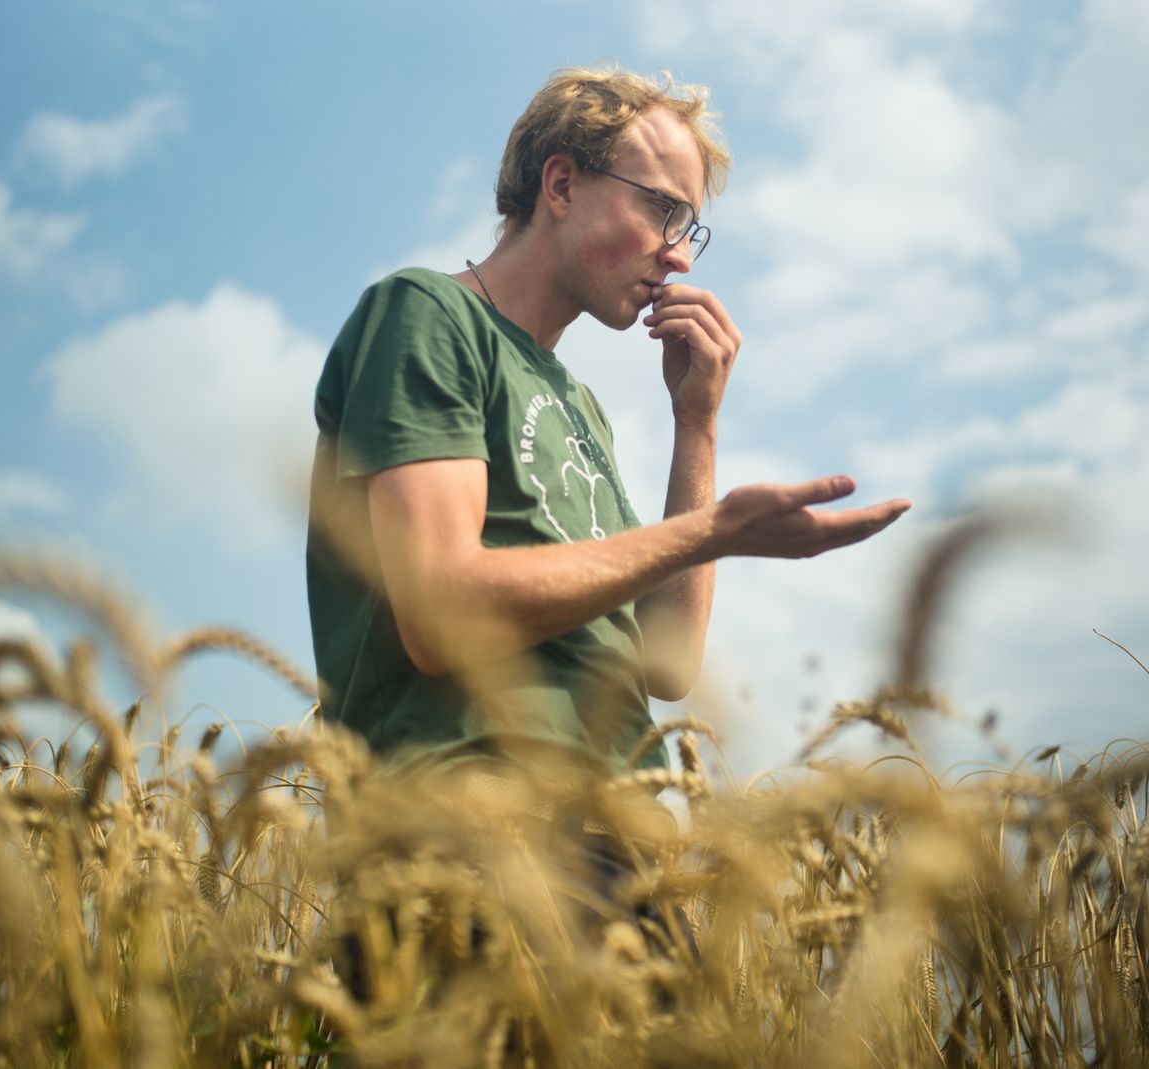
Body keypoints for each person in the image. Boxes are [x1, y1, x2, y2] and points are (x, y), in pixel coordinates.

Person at [306, 67, 910, 782]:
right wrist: (713, 530)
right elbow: (442, 611)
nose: (679, 253)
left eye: (689, 229)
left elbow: (669, 662)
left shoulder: (580, 405)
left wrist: (697, 424)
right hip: (472, 823)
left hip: (621, 830)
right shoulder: (427, 314)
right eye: (662, 210)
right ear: (560, 187)